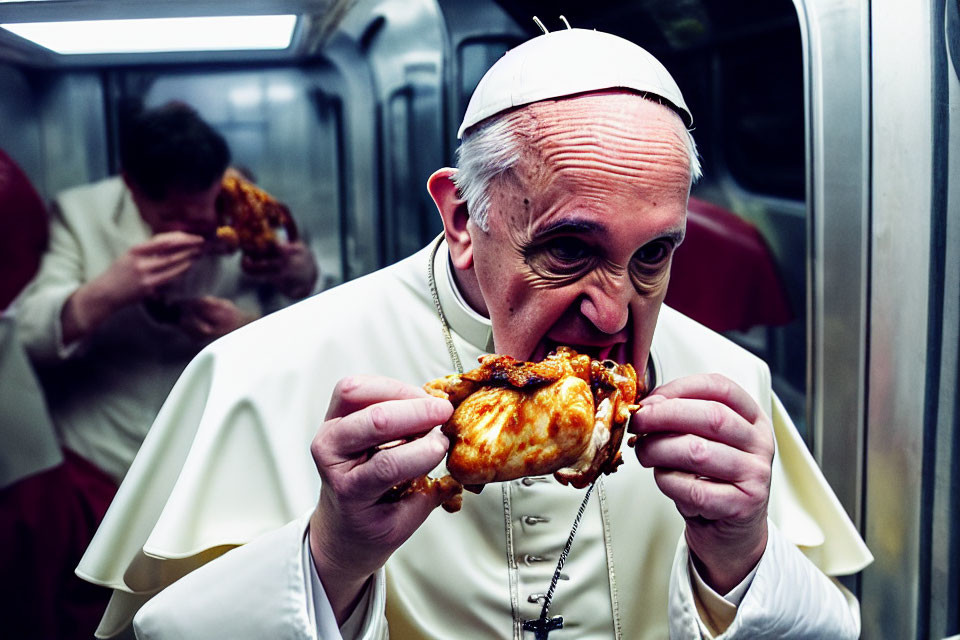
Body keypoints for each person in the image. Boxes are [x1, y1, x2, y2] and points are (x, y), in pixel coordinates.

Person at [80, 30, 871, 639]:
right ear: (463, 218)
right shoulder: (256, 370)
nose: (612, 313)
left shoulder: (728, 382)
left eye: (654, 255)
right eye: (569, 250)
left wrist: (742, 560)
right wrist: (332, 559)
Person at [2, 102, 317, 639]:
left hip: (221, 455)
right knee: (98, 614)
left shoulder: (251, 210)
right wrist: (106, 292)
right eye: (168, 217)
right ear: (131, 187)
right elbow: (24, 336)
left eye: (200, 211)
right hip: (104, 455)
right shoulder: (79, 214)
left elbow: (313, 314)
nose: (189, 227)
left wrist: (289, 285)